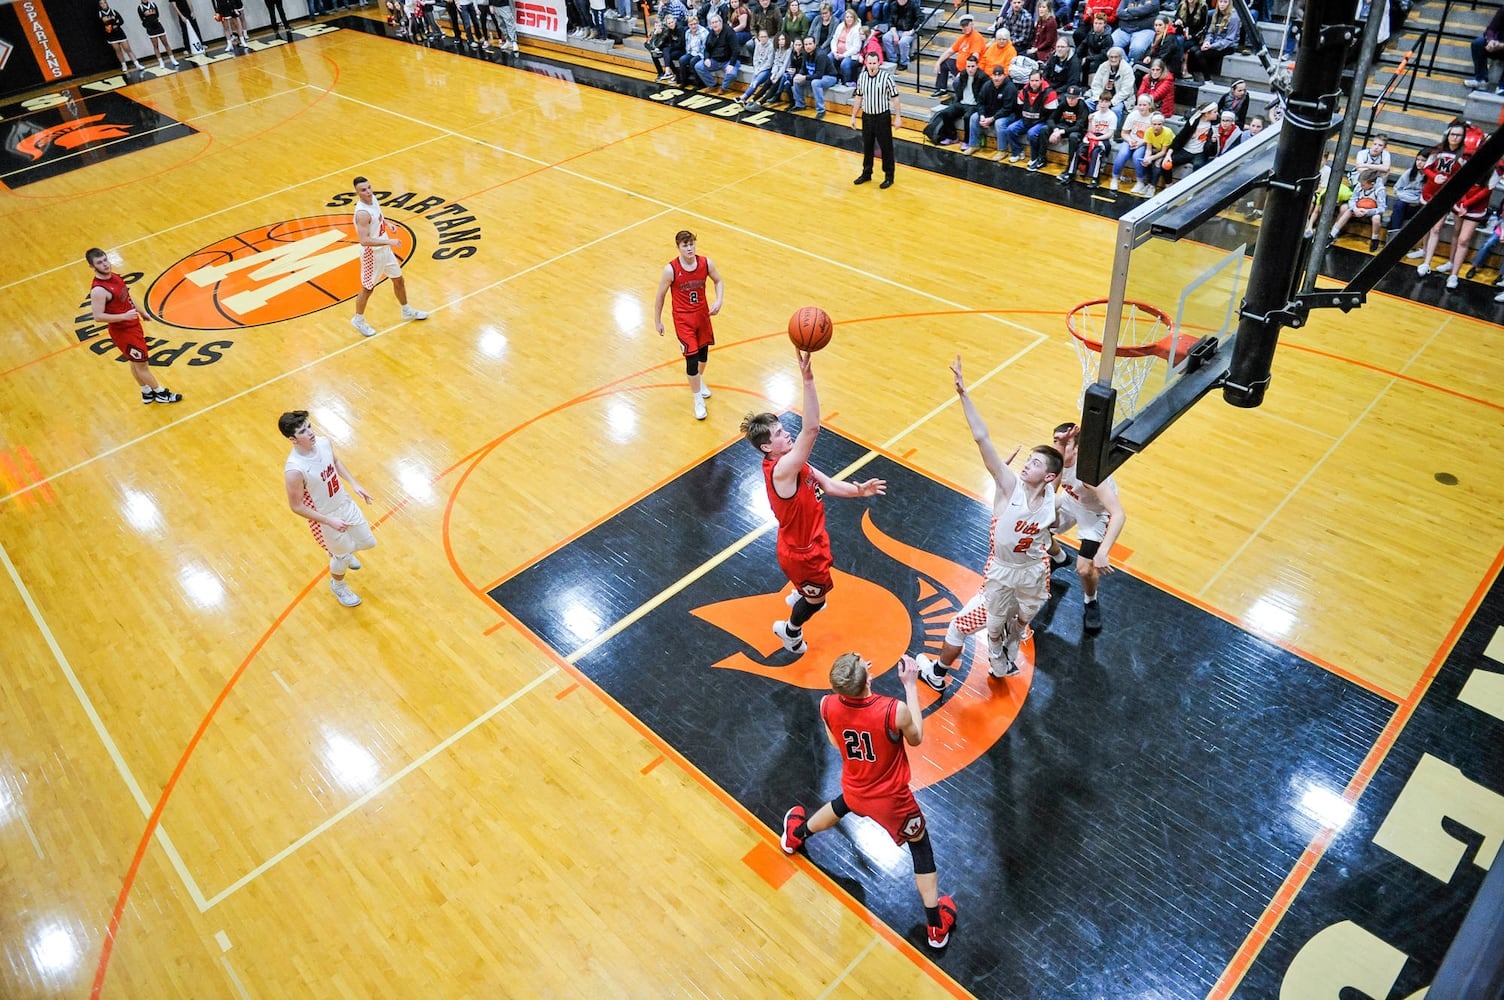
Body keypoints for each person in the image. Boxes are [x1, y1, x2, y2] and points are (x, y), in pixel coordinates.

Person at [780, 652, 957, 950]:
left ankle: (794, 837)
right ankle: (936, 928)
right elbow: (916, 738)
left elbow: (838, 743)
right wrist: (911, 686)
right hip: (891, 802)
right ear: (868, 679)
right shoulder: (893, 710)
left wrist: (856, 682)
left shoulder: (827, 704)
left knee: (842, 805)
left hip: (856, 786)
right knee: (921, 847)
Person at [922, 355, 1060, 683]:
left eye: (1036, 463)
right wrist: (963, 394)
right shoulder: (1051, 496)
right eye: (1028, 459)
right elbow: (983, 439)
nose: (1027, 464)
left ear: (1049, 476)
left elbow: (983, 439)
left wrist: (963, 393)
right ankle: (1004, 656)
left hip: (1009, 580)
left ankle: (938, 675)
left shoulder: (1013, 487)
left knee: (960, 626)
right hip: (1036, 578)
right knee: (1014, 625)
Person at [739, 353, 886, 656]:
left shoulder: (794, 465)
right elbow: (812, 429)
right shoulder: (782, 470)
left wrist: (860, 491)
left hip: (810, 543)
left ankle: (801, 591)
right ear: (767, 447)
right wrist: (808, 380)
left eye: (783, 428)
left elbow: (829, 484)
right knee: (818, 602)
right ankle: (791, 632)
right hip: (801, 555)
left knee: (816, 592)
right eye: (779, 434)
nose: (787, 432)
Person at [280, 410, 377, 608]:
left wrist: (354, 484)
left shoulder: (323, 443)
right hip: (327, 518)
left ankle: (340, 553)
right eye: (303, 431)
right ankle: (338, 585)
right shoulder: (295, 470)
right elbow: (296, 506)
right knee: (341, 558)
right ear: (293, 439)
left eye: (309, 427)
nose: (310, 432)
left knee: (368, 542)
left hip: (345, 503)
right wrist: (328, 521)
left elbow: (336, 462)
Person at [1045, 423, 1125, 633]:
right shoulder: (1057, 460)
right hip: (1071, 502)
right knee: (1037, 528)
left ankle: (1091, 601)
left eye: (1065, 441)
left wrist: (1103, 552)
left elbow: (1119, 514)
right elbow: (1050, 494)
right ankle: (1060, 557)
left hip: (1095, 513)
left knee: (1084, 569)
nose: (1058, 445)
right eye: (1055, 440)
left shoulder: (1089, 475)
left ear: (1078, 448)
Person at [86, 248, 183, 406]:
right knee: (142, 365)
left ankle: (146, 392)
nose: (105, 264)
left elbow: (127, 298)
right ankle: (161, 393)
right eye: (99, 263)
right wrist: (123, 317)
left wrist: (142, 311)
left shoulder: (115, 277)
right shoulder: (98, 290)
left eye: (105, 260)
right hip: (124, 333)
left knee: (134, 362)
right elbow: (98, 316)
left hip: (133, 326)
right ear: (92, 266)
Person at [653, 230, 724, 419]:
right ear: (678, 248)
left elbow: (718, 280)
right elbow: (660, 295)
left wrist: (719, 300)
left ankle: (699, 382)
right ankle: (697, 400)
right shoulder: (671, 270)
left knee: (703, 357)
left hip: (702, 316)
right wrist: (657, 320)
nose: (690, 248)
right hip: (684, 320)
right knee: (691, 359)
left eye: (691, 243)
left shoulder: (705, 263)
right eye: (685, 245)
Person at [349, 176, 429, 338]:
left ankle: (406, 310)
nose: (369, 192)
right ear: (357, 193)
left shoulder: (373, 200)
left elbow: (378, 217)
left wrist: (387, 224)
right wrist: (389, 241)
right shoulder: (362, 213)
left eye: (369, 187)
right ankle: (358, 320)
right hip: (372, 254)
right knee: (368, 288)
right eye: (364, 190)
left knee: (398, 280)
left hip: (385, 250)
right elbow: (364, 241)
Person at [850, 49, 901, 188]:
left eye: (874, 63)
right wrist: (853, 116)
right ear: (866, 63)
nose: (872, 66)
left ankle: (889, 176)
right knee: (867, 146)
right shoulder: (862, 77)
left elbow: (895, 97)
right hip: (867, 116)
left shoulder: (886, 77)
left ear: (879, 63)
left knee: (886, 147)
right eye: (869, 63)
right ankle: (867, 173)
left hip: (882, 116)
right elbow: (859, 97)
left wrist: (898, 117)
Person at [1328, 168, 1387, 252]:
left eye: (1363, 185)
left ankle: (1375, 239)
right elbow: (1352, 199)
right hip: (1359, 208)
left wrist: (1368, 212)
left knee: (1376, 218)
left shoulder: (1380, 190)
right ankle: (1332, 235)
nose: (1361, 186)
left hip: (1372, 210)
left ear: (1372, 184)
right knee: (1347, 211)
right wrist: (1355, 209)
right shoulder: (1360, 185)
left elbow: (1382, 208)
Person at [937, 53, 987, 148]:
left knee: (968, 117)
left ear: (977, 66)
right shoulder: (963, 74)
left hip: (974, 105)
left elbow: (983, 96)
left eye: (973, 66)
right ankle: (952, 137)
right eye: (968, 66)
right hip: (962, 102)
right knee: (945, 113)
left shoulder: (983, 77)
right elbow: (959, 89)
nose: (970, 69)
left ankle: (967, 141)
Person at [931, 12, 987, 96]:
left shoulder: (976, 38)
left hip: (970, 70)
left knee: (956, 83)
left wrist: (963, 72)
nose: (964, 28)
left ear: (971, 24)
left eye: (966, 25)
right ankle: (942, 88)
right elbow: (950, 51)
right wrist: (938, 62)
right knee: (944, 63)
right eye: (963, 26)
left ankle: (960, 98)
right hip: (959, 67)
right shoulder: (963, 38)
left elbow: (974, 58)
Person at [1108, 93, 1153, 190]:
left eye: (1144, 105)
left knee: (1137, 157)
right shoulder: (1133, 115)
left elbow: (1153, 137)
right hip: (1131, 140)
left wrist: (1141, 143)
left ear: (1150, 105)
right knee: (1122, 155)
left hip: (1144, 143)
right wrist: (1130, 140)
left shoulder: (1153, 118)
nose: (1141, 107)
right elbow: (1124, 133)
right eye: (1139, 105)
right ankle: (1115, 178)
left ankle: (1140, 181)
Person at [1186, 0, 1237, 82]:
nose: (1222, 4)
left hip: (1227, 46)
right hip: (1213, 43)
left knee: (1199, 54)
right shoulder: (1215, 14)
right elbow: (1210, 32)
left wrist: (1212, 46)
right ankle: (1192, 75)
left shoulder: (1233, 17)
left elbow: (1229, 40)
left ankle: (1207, 79)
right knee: (1192, 50)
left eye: (1225, 2)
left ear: (1229, 3)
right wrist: (1207, 42)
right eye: (1220, 2)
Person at [1048, 84, 1090, 183]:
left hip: (1079, 131)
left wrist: (1061, 132)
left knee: (1073, 137)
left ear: (1078, 98)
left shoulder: (1082, 106)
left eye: (1073, 98)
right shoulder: (1063, 103)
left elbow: (1079, 127)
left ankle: (1070, 169)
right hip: (1066, 127)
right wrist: (1055, 130)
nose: (1070, 100)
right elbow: (1051, 119)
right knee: (1045, 129)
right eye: (1069, 98)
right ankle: (1040, 159)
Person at [791, 33, 838, 117]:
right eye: (806, 44)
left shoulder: (821, 55)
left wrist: (804, 77)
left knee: (815, 83)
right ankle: (800, 105)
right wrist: (800, 75)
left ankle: (821, 110)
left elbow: (819, 75)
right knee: (796, 80)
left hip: (829, 77)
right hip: (814, 76)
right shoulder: (805, 53)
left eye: (810, 44)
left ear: (814, 44)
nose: (808, 46)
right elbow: (803, 69)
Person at [99, 0, 145, 73]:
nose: (103, 4)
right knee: (118, 51)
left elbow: (121, 21)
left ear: (107, 3)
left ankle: (137, 64)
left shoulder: (113, 11)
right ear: (100, 5)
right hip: (111, 35)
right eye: (101, 3)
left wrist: (116, 25)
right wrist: (107, 28)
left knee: (128, 49)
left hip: (119, 33)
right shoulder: (100, 14)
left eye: (104, 3)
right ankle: (124, 65)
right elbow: (100, 25)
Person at [1135, 110, 1175, 194]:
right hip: (1156, 149)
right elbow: (1148, 149)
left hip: (1168, 151)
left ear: (1163, 125)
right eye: (1154, 124)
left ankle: (1153, 186)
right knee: (1146, 162)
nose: (1156, 127)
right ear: (1151, 124)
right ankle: (1148, 183)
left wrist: (1151, 158)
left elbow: (1163, 152)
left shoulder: (1167, 133)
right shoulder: (1149, 131)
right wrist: (1147, 158)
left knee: (1158, 164)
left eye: (1159, 124)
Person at [1467, 5, 1504, 93]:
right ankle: (1481, 79)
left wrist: (1501, 45)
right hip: (1497, 45)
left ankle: (1502, 86)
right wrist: (1491, 41)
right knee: (1478, 43)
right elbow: (1491, 28)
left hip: (1501, 46)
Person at [136, 1, 179, 68]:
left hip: (158, 27)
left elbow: (157, 14)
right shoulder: (140, 7)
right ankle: (161, 62)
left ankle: (173, 59)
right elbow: (142, 19)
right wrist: (148, 25)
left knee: (166, 43)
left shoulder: (153, 4)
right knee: (155, 46)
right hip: (151, 29)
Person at [882, 0, 920, 71]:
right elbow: (891, 21)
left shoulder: (913, 5)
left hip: (909, 30)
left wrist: (911, 31)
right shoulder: (894, 5)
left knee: (903, 42)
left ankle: (904, 62)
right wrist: (894, 34)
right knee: (885, 38)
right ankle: (893, 60)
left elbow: (920, 18)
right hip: (896, 29)